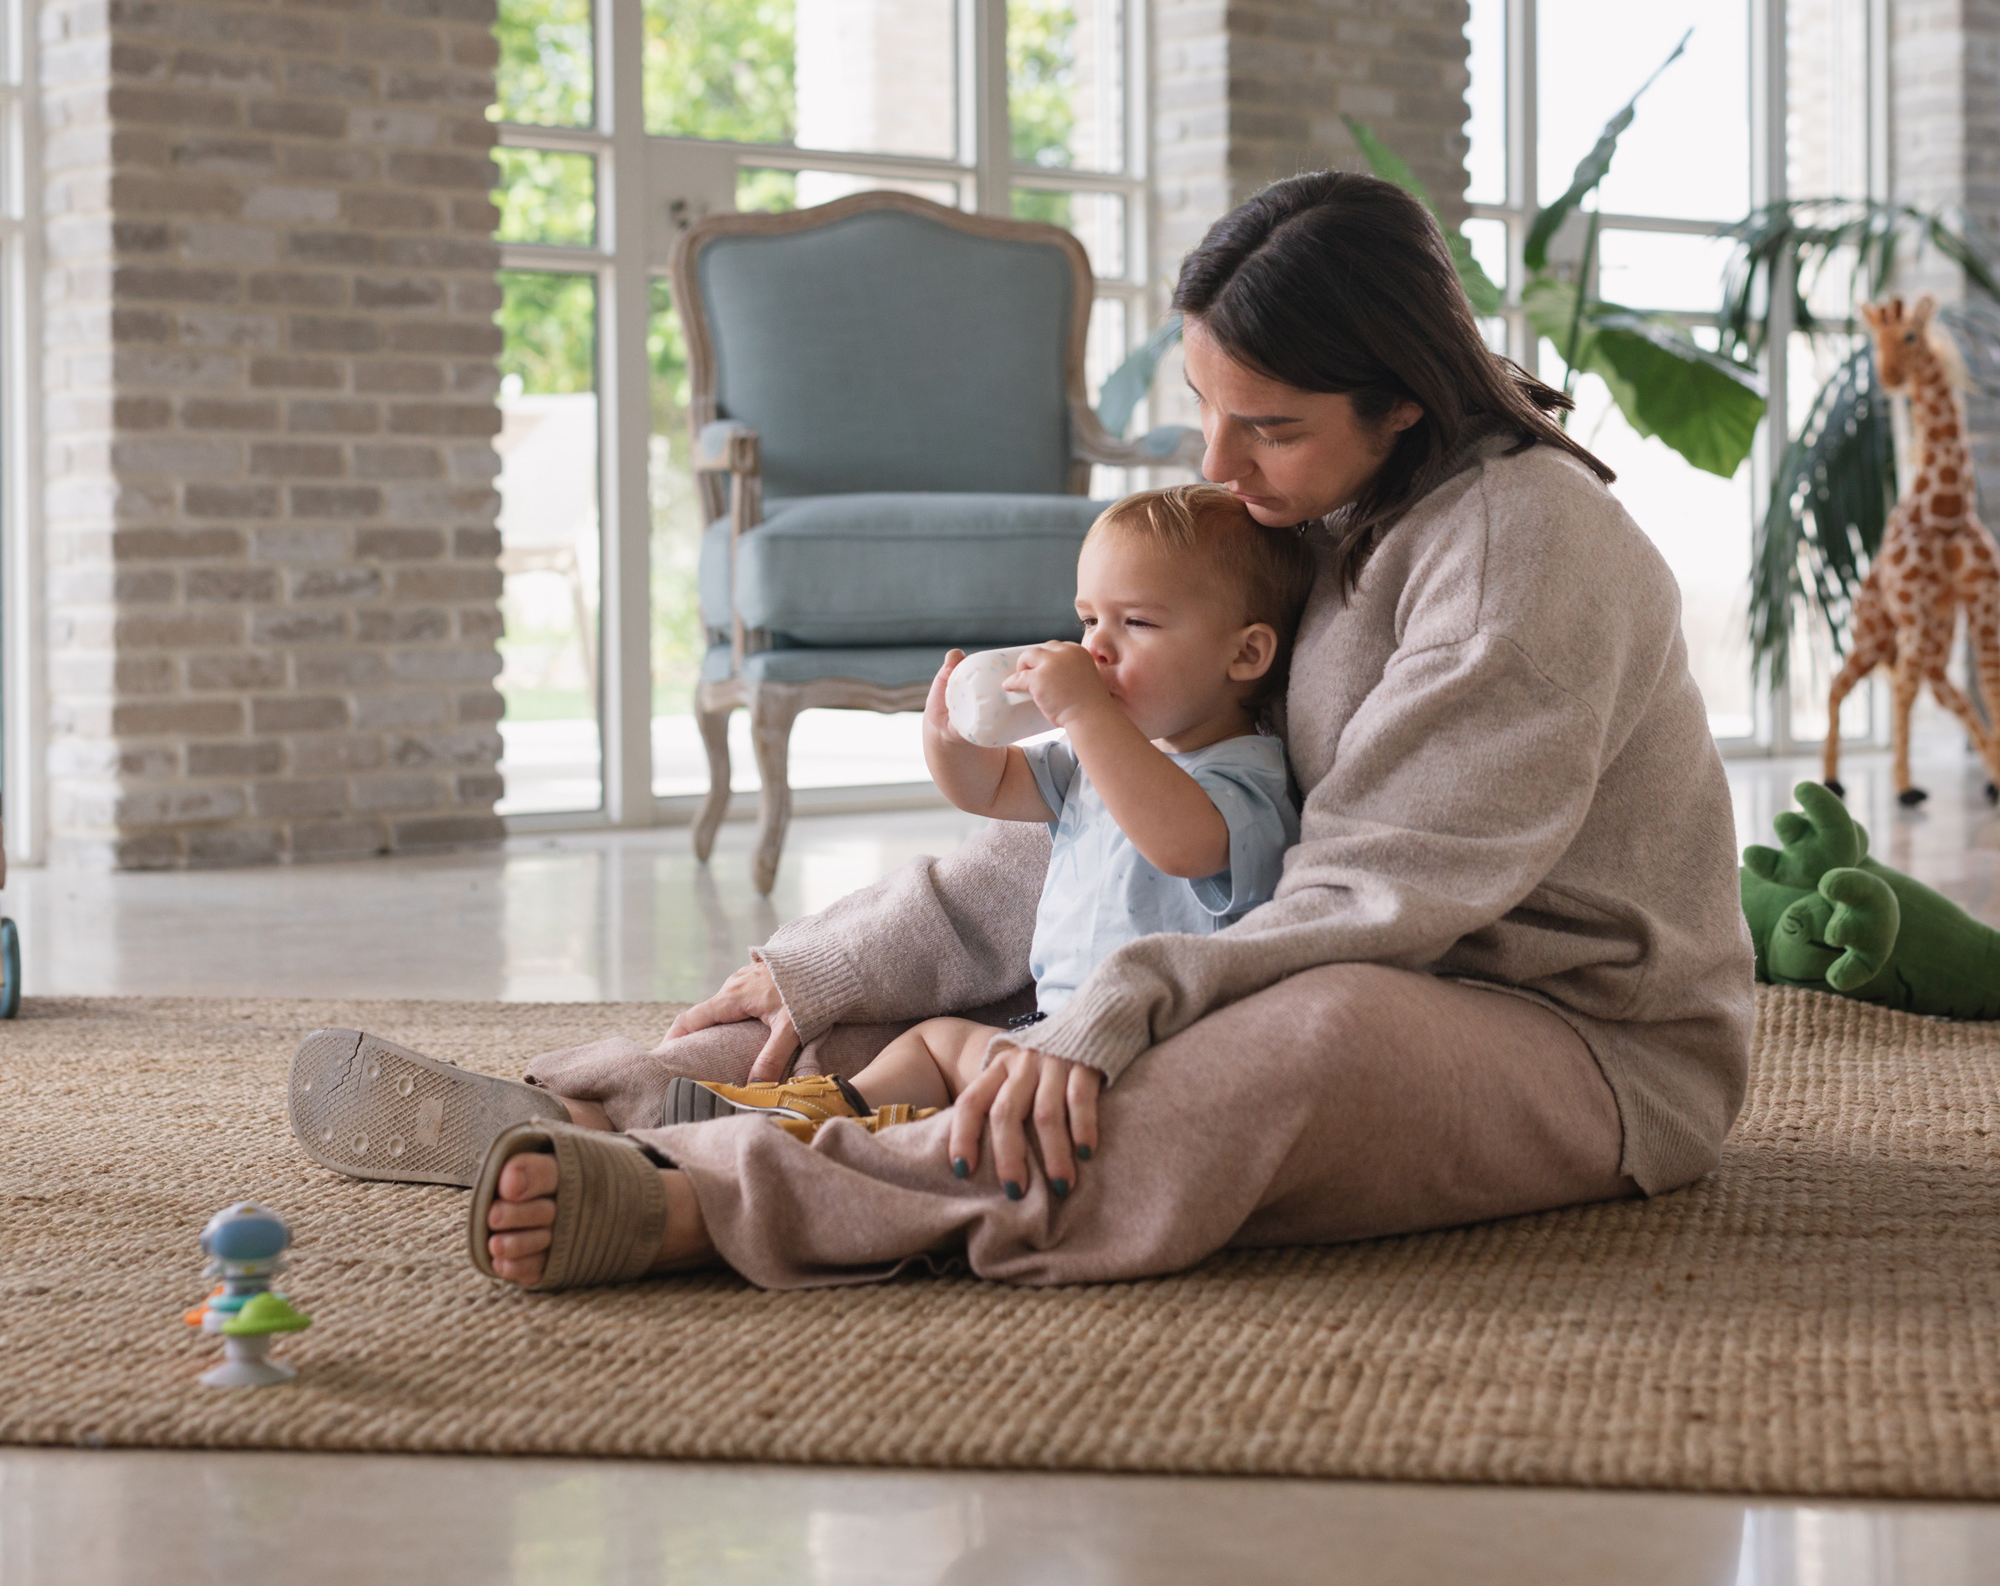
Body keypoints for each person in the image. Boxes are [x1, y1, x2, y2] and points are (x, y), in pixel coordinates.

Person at [292, 170, 1755, 1296]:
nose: (1220, 469)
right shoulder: (1315, 519)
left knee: (1249, 1053)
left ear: (1405, 400)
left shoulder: (1523, 550)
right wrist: (835, 957)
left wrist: (1112, 1016)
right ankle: (622, 1106)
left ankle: (711, 1201)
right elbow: (1124, 819)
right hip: (1324, 936)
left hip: (1564, 1037)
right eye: (1206, 410)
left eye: (1272, 427)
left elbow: (1378, 899)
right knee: (895, 1024)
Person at [656, 485, 1316, 1146]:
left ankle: (897, 1142)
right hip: (1054, 1031)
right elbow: (990, 788)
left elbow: (1183, 845)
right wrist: (948, 736)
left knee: (984, 1090)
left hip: (1161, 1047)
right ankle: (828, 1116)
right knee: (933, 1046)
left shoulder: (1245, 777)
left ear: (1245, 654)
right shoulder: (1097, 757)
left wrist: (1086, 714)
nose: (1095, 651)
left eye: (1135, 624)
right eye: (1088, 621)